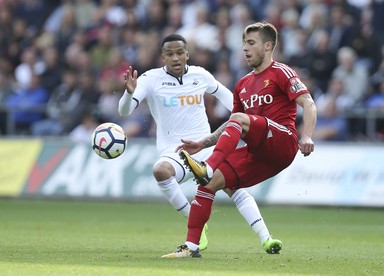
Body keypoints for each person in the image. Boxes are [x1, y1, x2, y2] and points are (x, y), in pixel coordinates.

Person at [162, 22, 317, 258]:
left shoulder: (281, 72)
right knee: (208, 184)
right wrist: (203, 143)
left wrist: (307, 134)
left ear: (267, 46)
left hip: (283, 141)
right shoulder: (243, 84)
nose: (245, 49)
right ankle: (191, 246)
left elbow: (308, 103)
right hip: (259, 153)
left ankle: (209, 166)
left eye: (251, 43)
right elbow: (233, 125)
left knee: (222, 149)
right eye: (244, 43)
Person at [119, 34, 273, 255]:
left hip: (206, 147)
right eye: (170, 54)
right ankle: (195, 221)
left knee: (234, 187)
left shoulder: (200, 75)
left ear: (187, 54)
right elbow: (124, 111)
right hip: (175, 151)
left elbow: (232, 101)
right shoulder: (150, 79)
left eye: (180, 53)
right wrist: (128, 93)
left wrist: (254, 118)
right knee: (161, 171)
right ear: (163, 57)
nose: (175, 58)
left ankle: (266, 238)